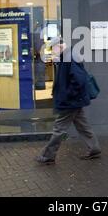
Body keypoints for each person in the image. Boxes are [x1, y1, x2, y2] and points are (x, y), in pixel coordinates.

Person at [36, 37, 101, 165]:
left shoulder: (70, 57)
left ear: (59, 46)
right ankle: (94, 148)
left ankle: (48, 155)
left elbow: (79, 80)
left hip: (71, 101)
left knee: (59, 129)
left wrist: (68, 95)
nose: (53, 52)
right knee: (83, 125)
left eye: (53, 49)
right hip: (74, 101)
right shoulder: (67, 56)